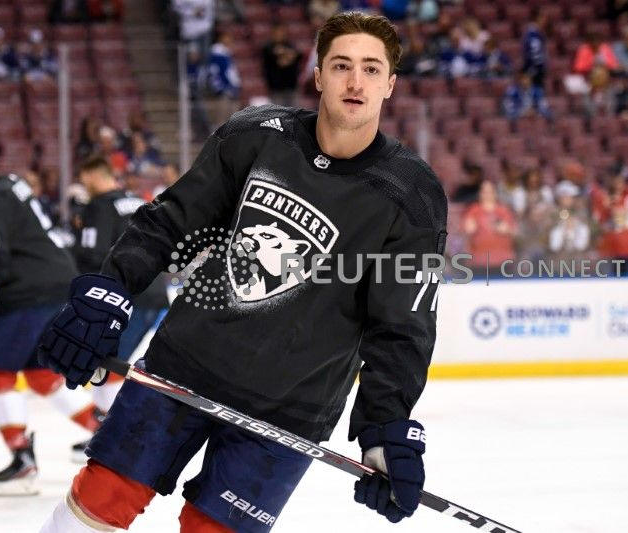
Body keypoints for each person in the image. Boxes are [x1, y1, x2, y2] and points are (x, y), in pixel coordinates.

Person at [37, 12, 446, 532]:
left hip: (290, 410)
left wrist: (385, 425)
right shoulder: (257, 135)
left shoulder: (412, 194)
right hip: (182, 369)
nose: (355, 81)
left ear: (390, 84)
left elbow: (402, 325)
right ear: (318, 75)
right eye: (341, 65)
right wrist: (110, 289)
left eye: (371, 69)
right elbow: (170, 220)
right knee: (96, 504)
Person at [0, 173, 101, 495]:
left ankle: (22, 461)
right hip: (58, 284)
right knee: (41, 375)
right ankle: (107, 435)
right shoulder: (10, 185)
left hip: (30, 291)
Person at [73, 157, 169, 418]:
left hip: (125, 297)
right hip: (155, 294)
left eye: (84, 179)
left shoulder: (99, 206)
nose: (84, 184)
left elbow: (93, 254)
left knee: (105, 361)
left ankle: (111, 425)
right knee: (110, 360)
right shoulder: (137, 201)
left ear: (94, 176)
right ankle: (106, 420)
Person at [463, 180, 517, 274]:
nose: (487, 195)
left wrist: (506, 229)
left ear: (495, 193)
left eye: (490, 192)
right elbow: (468, 229)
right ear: (480, 194)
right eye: (484, 192)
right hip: (479, 261)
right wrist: (471, 227)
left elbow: (513, 231)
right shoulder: (473, 210)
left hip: (503, 260)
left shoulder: (503, 211)